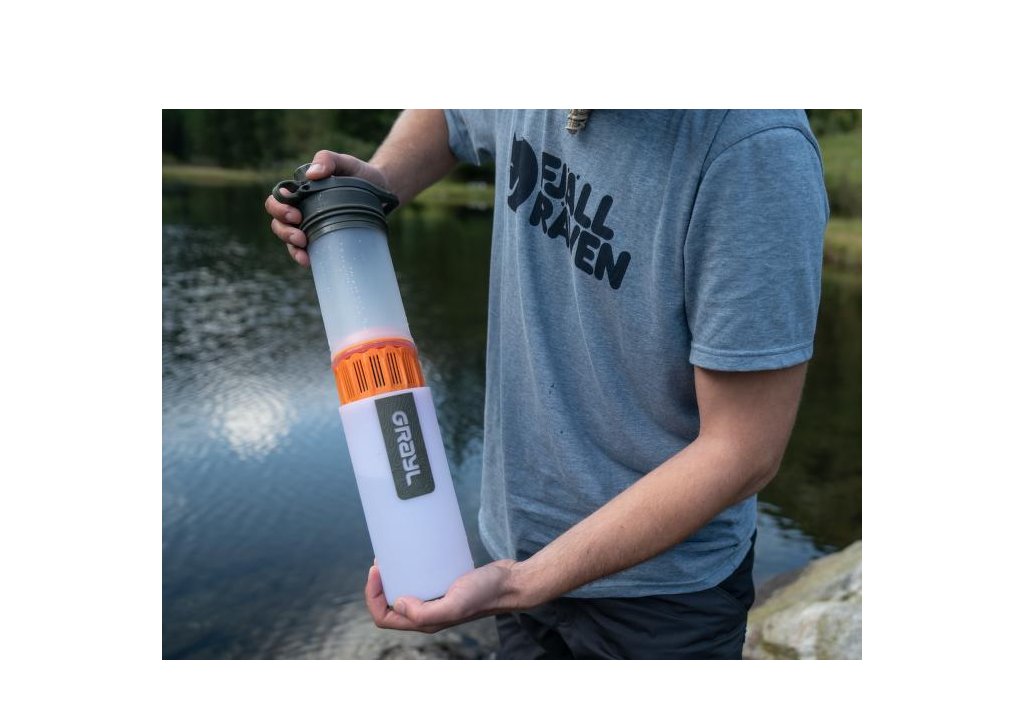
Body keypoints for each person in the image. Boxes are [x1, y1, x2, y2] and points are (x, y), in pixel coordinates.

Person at [264, 109, 828, 659]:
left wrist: (520, 583)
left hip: (661, 600)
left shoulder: (755, 149)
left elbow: (742, 450)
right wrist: (378, 184)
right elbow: (450, 114)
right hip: (519, 548)